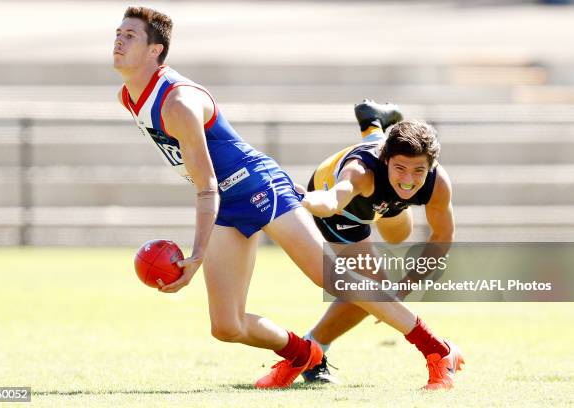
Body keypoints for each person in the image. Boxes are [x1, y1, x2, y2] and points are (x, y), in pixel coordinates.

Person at [113, 6, 461, 390]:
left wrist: (195, 257)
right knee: (226, 326)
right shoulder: (129, 97)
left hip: (258, 185)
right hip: (229, 202)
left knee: (336, 278)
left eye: (130, 35)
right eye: (119, 32)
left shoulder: (176, 102)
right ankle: (303, 354)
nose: (118, 40)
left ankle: (438, 350)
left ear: (154, 51)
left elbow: (206, 184)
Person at [297, 100, 464, 389]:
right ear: (386, 160)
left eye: (419, 171)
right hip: (342, 211)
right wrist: (310, 201)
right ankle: (312, 350)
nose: (410, 180)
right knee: (374, 292)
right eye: (401, 168)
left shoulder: (436, 182)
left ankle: (372, 121)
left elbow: (441, 238)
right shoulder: (360, 172)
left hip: (383, 202)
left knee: (397, 238)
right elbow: (335, 198)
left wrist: (406, 286)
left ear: (432, 165)